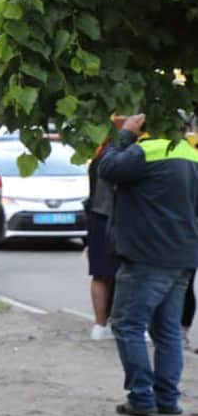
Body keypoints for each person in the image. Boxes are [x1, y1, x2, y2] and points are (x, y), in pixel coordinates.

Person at [97, 112, 198, 416]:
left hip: (147, 255)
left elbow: (107, 168)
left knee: (127, 324)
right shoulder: (190, 154)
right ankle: (167, 399)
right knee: (167, 330)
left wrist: (124, 134)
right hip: (181, 255)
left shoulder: (146, 151)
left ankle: (141, 397)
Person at [85, 118, 123, 340]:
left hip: (97, 218)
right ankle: (117, 323)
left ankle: (100, 325)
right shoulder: (120, 156)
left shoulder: (99, 155)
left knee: (100, 274)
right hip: (115, 218)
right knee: (122, 273)